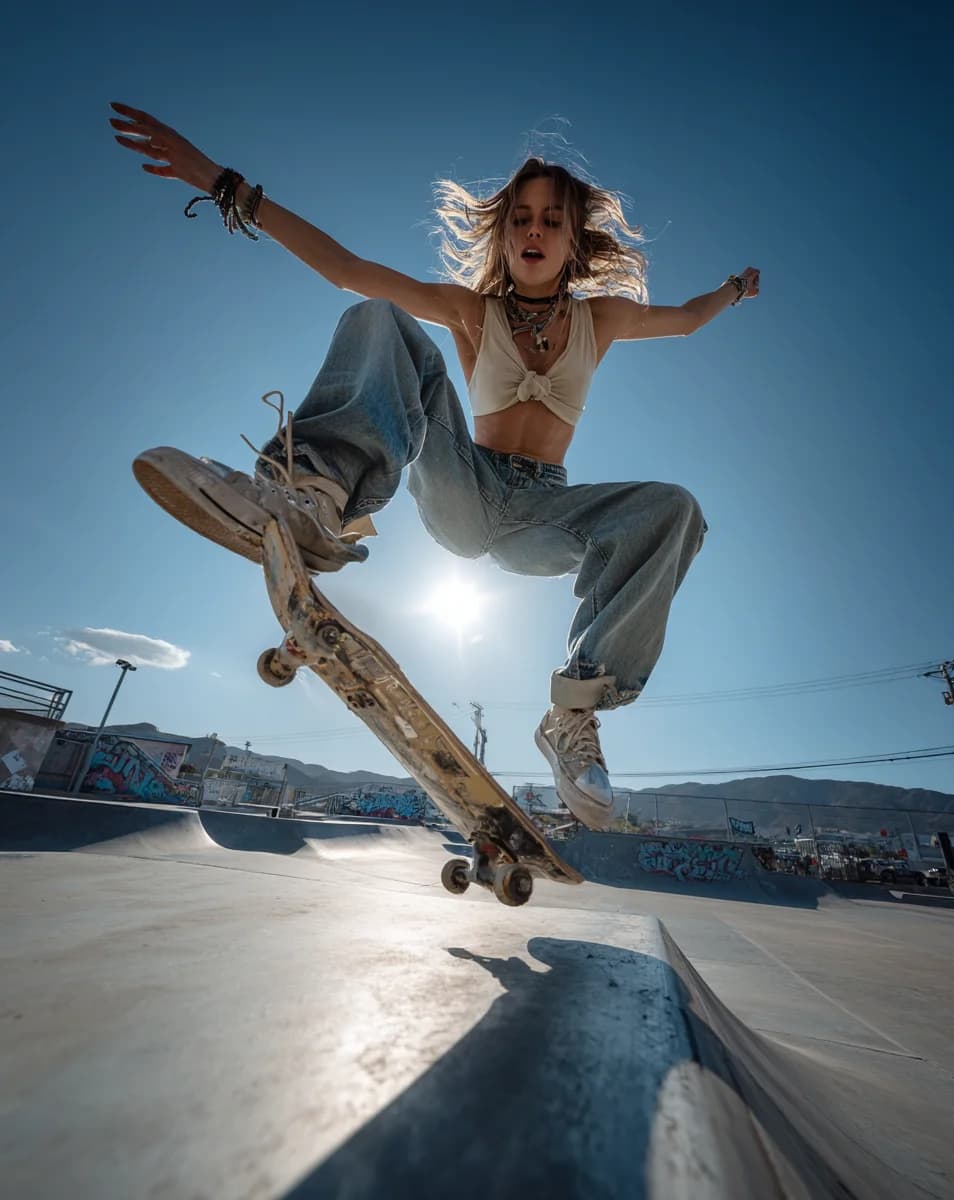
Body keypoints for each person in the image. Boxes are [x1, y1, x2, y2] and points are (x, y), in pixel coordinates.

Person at [110, 101, 759, 832]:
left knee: (675, 509)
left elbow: (688, 316)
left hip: (543, 516)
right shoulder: (471, 309)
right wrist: (222, 181)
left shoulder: (601, 318)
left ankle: (573, 713)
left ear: (573, 238)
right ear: (503, 233)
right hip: (465, 483)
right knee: (383, 316)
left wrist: (734, 291)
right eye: (520, 218)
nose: (534, 231)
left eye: (550, 219)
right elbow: (349, 270)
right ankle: (315, 498)